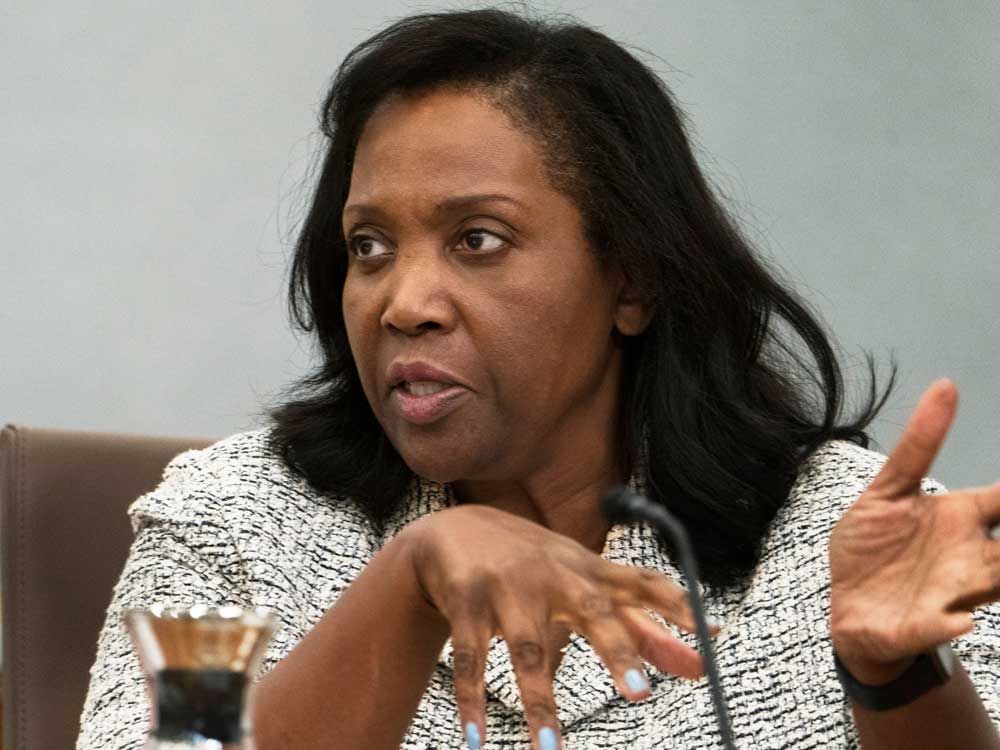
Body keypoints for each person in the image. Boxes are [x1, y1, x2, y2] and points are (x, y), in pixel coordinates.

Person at [77, 8, 1000, 750]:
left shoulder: (838, 534)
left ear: (631, 279)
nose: (405, 302)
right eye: (369, 247)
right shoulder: (234, 522)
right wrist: (407, 583)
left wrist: (898, 678)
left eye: (478, 239)